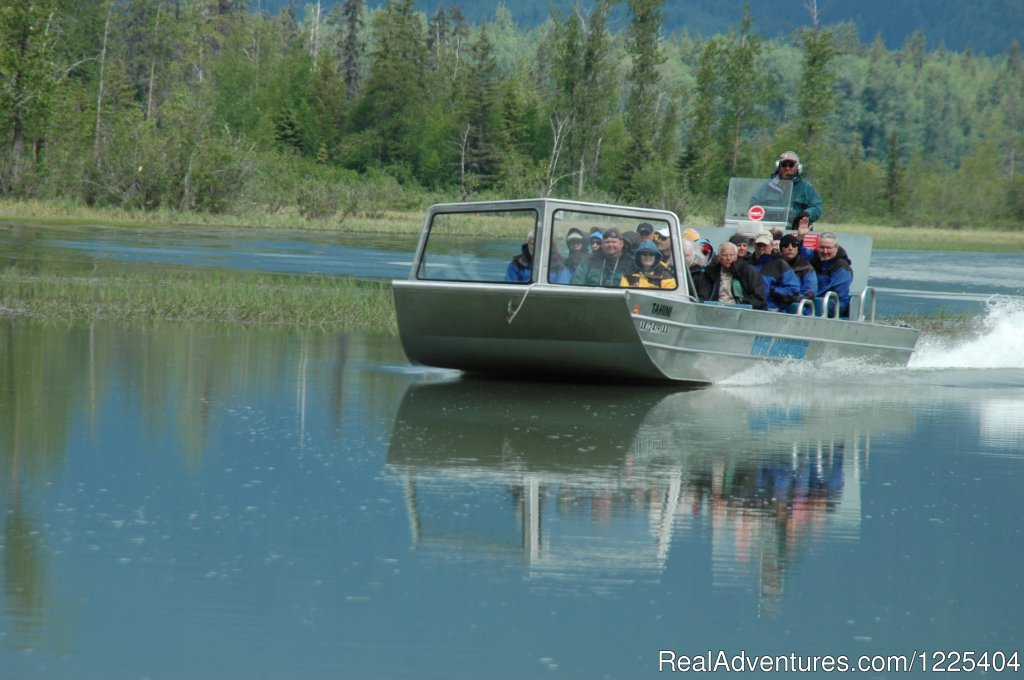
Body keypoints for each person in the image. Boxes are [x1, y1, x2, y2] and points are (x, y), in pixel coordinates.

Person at [752, 151, 823, 225]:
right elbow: (754, 205)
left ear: (798, 168)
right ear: (778, 166)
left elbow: (816, 207)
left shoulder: (806, 187)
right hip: (770, 228)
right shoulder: (767, 186)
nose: (787, 168)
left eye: (791, 165)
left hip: (796, 230)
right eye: (784, 165)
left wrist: (806, 214)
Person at [697, 241, 766, 310]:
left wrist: (741, 307)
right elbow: (703, 296)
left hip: (740, 311)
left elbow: (759, 297)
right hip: (715, 310)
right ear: (719, 256)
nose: (729, 258)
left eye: (732, 255)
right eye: (724, 255)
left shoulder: (747, 270)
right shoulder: (710, 272)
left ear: (736, 256)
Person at [751, 232, 800, 312]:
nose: (761, 248)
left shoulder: (780, 264)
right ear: (754, 246)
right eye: (759, 245)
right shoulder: (747, 263)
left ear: (771, 246)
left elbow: (793, 290)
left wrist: (773, 290)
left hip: (771, 310)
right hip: (749, 308)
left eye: (765, 245)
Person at [810, 231, 853, 317]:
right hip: (817, 299)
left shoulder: (842, 266)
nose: (825, 251)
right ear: (817, 247)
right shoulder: (814, 260)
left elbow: (835, 291)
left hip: (836, 303)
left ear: (836, 248)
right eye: (822, 247)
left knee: (813, 304)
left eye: (829, 248)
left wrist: (809, 296)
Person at [778, 233, 817, 314]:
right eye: (786, 245)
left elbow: (810, 293)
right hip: (776, 307)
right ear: (781, 249)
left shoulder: (807, 268)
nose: (790, 248)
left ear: (798, 249)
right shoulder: (773, 265)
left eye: (794, 245)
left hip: (800, 309)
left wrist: (789, 298)